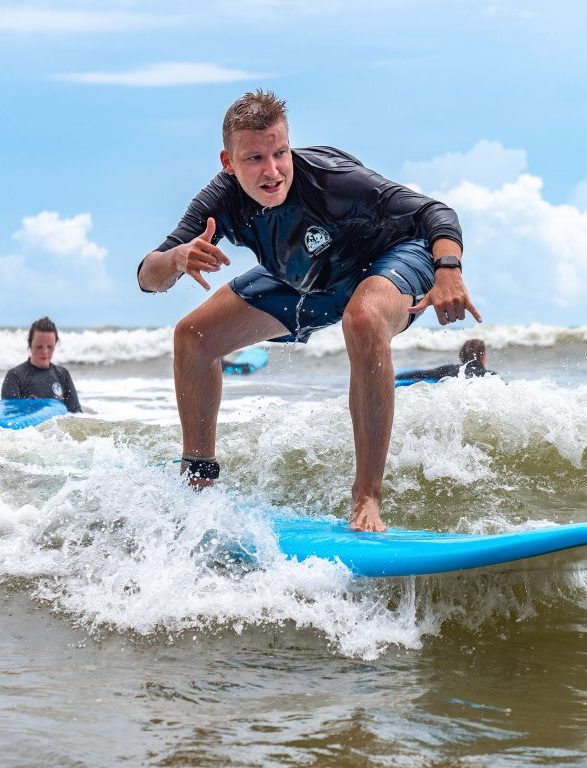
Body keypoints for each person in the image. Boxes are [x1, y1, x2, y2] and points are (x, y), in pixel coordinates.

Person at [137, 89, 481, 532]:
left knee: (363, 318)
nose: (272, 170)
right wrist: (178, 259)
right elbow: (149, 275)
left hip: (394, 256)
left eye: (280, 153)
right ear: (228, 162)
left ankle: (367, 499)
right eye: (255, 158)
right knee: (194, 336)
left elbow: (435, 212)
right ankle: (198, 483)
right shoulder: (219, 201)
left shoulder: (331, 180)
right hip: (311, 279)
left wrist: (448, 268)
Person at [1, 317, 81, 413]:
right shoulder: (15, 376)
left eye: (50, 347)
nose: (45, 351)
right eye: (39, 347)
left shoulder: (62, 374)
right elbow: (9, 418)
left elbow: (76, 414)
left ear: (55, 344)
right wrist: (28, 406)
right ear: (30, 344)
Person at [395, 339, 493, 383]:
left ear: (461, 355)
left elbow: (422, 373)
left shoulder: (450, 369)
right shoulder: (492, 376)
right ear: (483, 356)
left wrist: (395, 377)